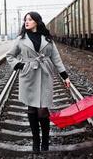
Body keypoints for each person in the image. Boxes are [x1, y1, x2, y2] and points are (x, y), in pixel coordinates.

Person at [6, 11, 71, 153]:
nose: (26, 22)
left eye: (29, 19)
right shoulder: (20, 39)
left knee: (43, 110)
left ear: (37, 21)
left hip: (45, 75)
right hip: (28, 76)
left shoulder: (47, 39)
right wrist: (21, 65)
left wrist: (65, 76)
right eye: (25, 20)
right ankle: (36, 140)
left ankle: (45, 140)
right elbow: (10, 56)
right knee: (31, 109)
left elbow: (56, 59)